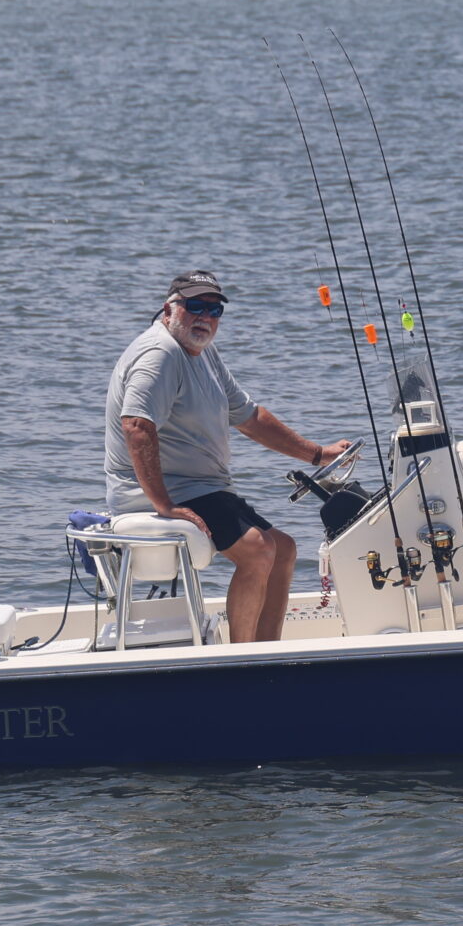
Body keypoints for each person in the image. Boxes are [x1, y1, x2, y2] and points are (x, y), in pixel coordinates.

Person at [107, 270, 349, 645]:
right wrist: (163, 504)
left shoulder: (203, 353)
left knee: (283, 550)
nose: (204, 317)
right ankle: (241, 658)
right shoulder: (160, 354)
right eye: (195, 307)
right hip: (169, 491)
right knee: (256, 551)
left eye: (214, 309)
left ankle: (267, 651)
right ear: (168, 310)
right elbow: (137, 425)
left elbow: (250, 418)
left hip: (202, 488)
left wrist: (317, 454)